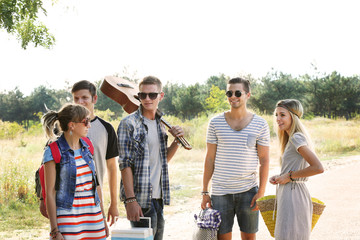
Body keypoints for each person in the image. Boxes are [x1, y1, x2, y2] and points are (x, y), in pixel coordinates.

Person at [201, 77, 270, 240]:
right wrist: (205, 191)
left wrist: (261, 192)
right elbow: (209, 159)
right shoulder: (215, 123)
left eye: (238, 92)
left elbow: (265, 160)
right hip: (220, 193)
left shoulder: (260, 124)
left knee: (249, 237)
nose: (233, 96)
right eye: (229, 93)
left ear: (248, 95)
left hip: (249, 192)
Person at [117, 76, 184, 240]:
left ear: (161, 96)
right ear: (138, 96)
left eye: (152, 95)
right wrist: (131, 200)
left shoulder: (161, 124)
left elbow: (162, 160)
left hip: (158, 197)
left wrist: (176, 142)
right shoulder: (129, 124)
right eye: (143, 95)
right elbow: (125, 165)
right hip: (140, 198)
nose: (147, 99)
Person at [42, 103, 108, 239]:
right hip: (68, 218)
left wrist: (103, 218)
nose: (89, 125)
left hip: (93, 216)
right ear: (72, 125)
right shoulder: (53, 151)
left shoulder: (88, 145)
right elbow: (50, 193)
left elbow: (96, 185)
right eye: (86, 122)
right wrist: (55, 230)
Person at [269, 99, 324, 240]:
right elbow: (293, 170)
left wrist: (290, 176)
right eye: (276, 115)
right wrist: (281, 176)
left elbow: (318, 167)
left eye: (282, 115)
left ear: (292, 117)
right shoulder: (290, 139)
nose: (278, 119)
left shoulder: (296, 138)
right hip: (289, 192)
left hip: (293, 195)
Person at [71, 80, 119, 225]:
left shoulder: (107, 129)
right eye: (76, 98)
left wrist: (114, 203)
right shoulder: (63, 127)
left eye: (84, 98)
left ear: (94, 99)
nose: (80, 102)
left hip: (95, 199)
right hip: (68, 201)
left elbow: (112, 168)